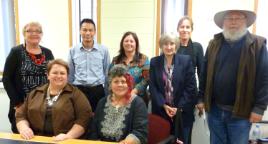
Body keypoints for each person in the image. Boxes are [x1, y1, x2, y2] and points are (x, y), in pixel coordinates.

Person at [197, 9, 268, 144]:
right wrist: (200, 98)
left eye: (238, 18)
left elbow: (264, 80)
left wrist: (259, 108)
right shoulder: (213, 44)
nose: (233, 22)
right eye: (229, 18)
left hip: (242, 113)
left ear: (246, 22)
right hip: (215, 110)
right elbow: (204, 74)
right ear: (223, 22)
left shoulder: (257, 45)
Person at [16, 59, 92, 141]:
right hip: (36, 139)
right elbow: (21, 115)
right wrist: (24, 128)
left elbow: (84, 119)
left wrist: (68, 136)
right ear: (48, 75)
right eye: (55, 73)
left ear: (67, 76)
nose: (59, 76)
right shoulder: (35, 93)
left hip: (65, 140)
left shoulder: (76, 94)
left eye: (62, 73)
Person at [3, 22, 54, 133]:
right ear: (24, 34)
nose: (34, 33)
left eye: (38, 31)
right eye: (30, 31)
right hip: (21, 104)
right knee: (23, 136)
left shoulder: (48, 53)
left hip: (44, 106)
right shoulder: (16, 52)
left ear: (41, 34)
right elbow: (6, 79)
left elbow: (53, 76)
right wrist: (17, 103)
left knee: (42, 136)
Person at [149, 33, 197, 143]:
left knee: (182, 141)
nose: (169, 47)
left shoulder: (186, 61)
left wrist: (178, 108)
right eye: (165, 44)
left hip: (182, 113)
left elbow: (191, 87)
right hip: (161, 112)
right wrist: (164, 105)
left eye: (172, 44)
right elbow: (153, 86)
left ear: (176, 45)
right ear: (161, 46)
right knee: (163, 141)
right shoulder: (154, 62)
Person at [88, 64, 148, 144]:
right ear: (110, 85)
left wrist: (126, 142)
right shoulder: (102, 102)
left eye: (123, 81)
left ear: (129, 84)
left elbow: (140, 132)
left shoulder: (138, 103)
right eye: (116, 81)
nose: (120, 85)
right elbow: (93, 130)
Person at [68, 18, 110, 112]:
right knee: (80, 118)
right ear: (80, 31)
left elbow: (107, 72)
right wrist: (70, 93)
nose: (87, 33)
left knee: (98, 119)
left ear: (94, 32)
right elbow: (70, 74)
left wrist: (107, 94)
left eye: (90, 30)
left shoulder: (103, 50)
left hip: (97, 90)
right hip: (79, 90)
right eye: (84, 30)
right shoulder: (73, 50)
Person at [176, 16, 204, 144]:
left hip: (189, 95)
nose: (184, 29)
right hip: (172, 95)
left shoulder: (197, 47)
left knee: (186, 131)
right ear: (178, 29)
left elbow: (202, 73)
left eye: (187, 27)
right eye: (182, 27)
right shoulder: (172, 45)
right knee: (172, 132)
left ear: (191, 29)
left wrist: (200, 99)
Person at [110, 31, 150, 104]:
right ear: (122, 43)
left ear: (136, 44)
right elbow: (110, 77)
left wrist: (134, 91)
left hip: (138, 98)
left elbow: (147, 79)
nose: (129, 43)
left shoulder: (144, 59)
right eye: (126, 41)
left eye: (131, 41)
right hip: (119, 98)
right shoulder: (116, 60)